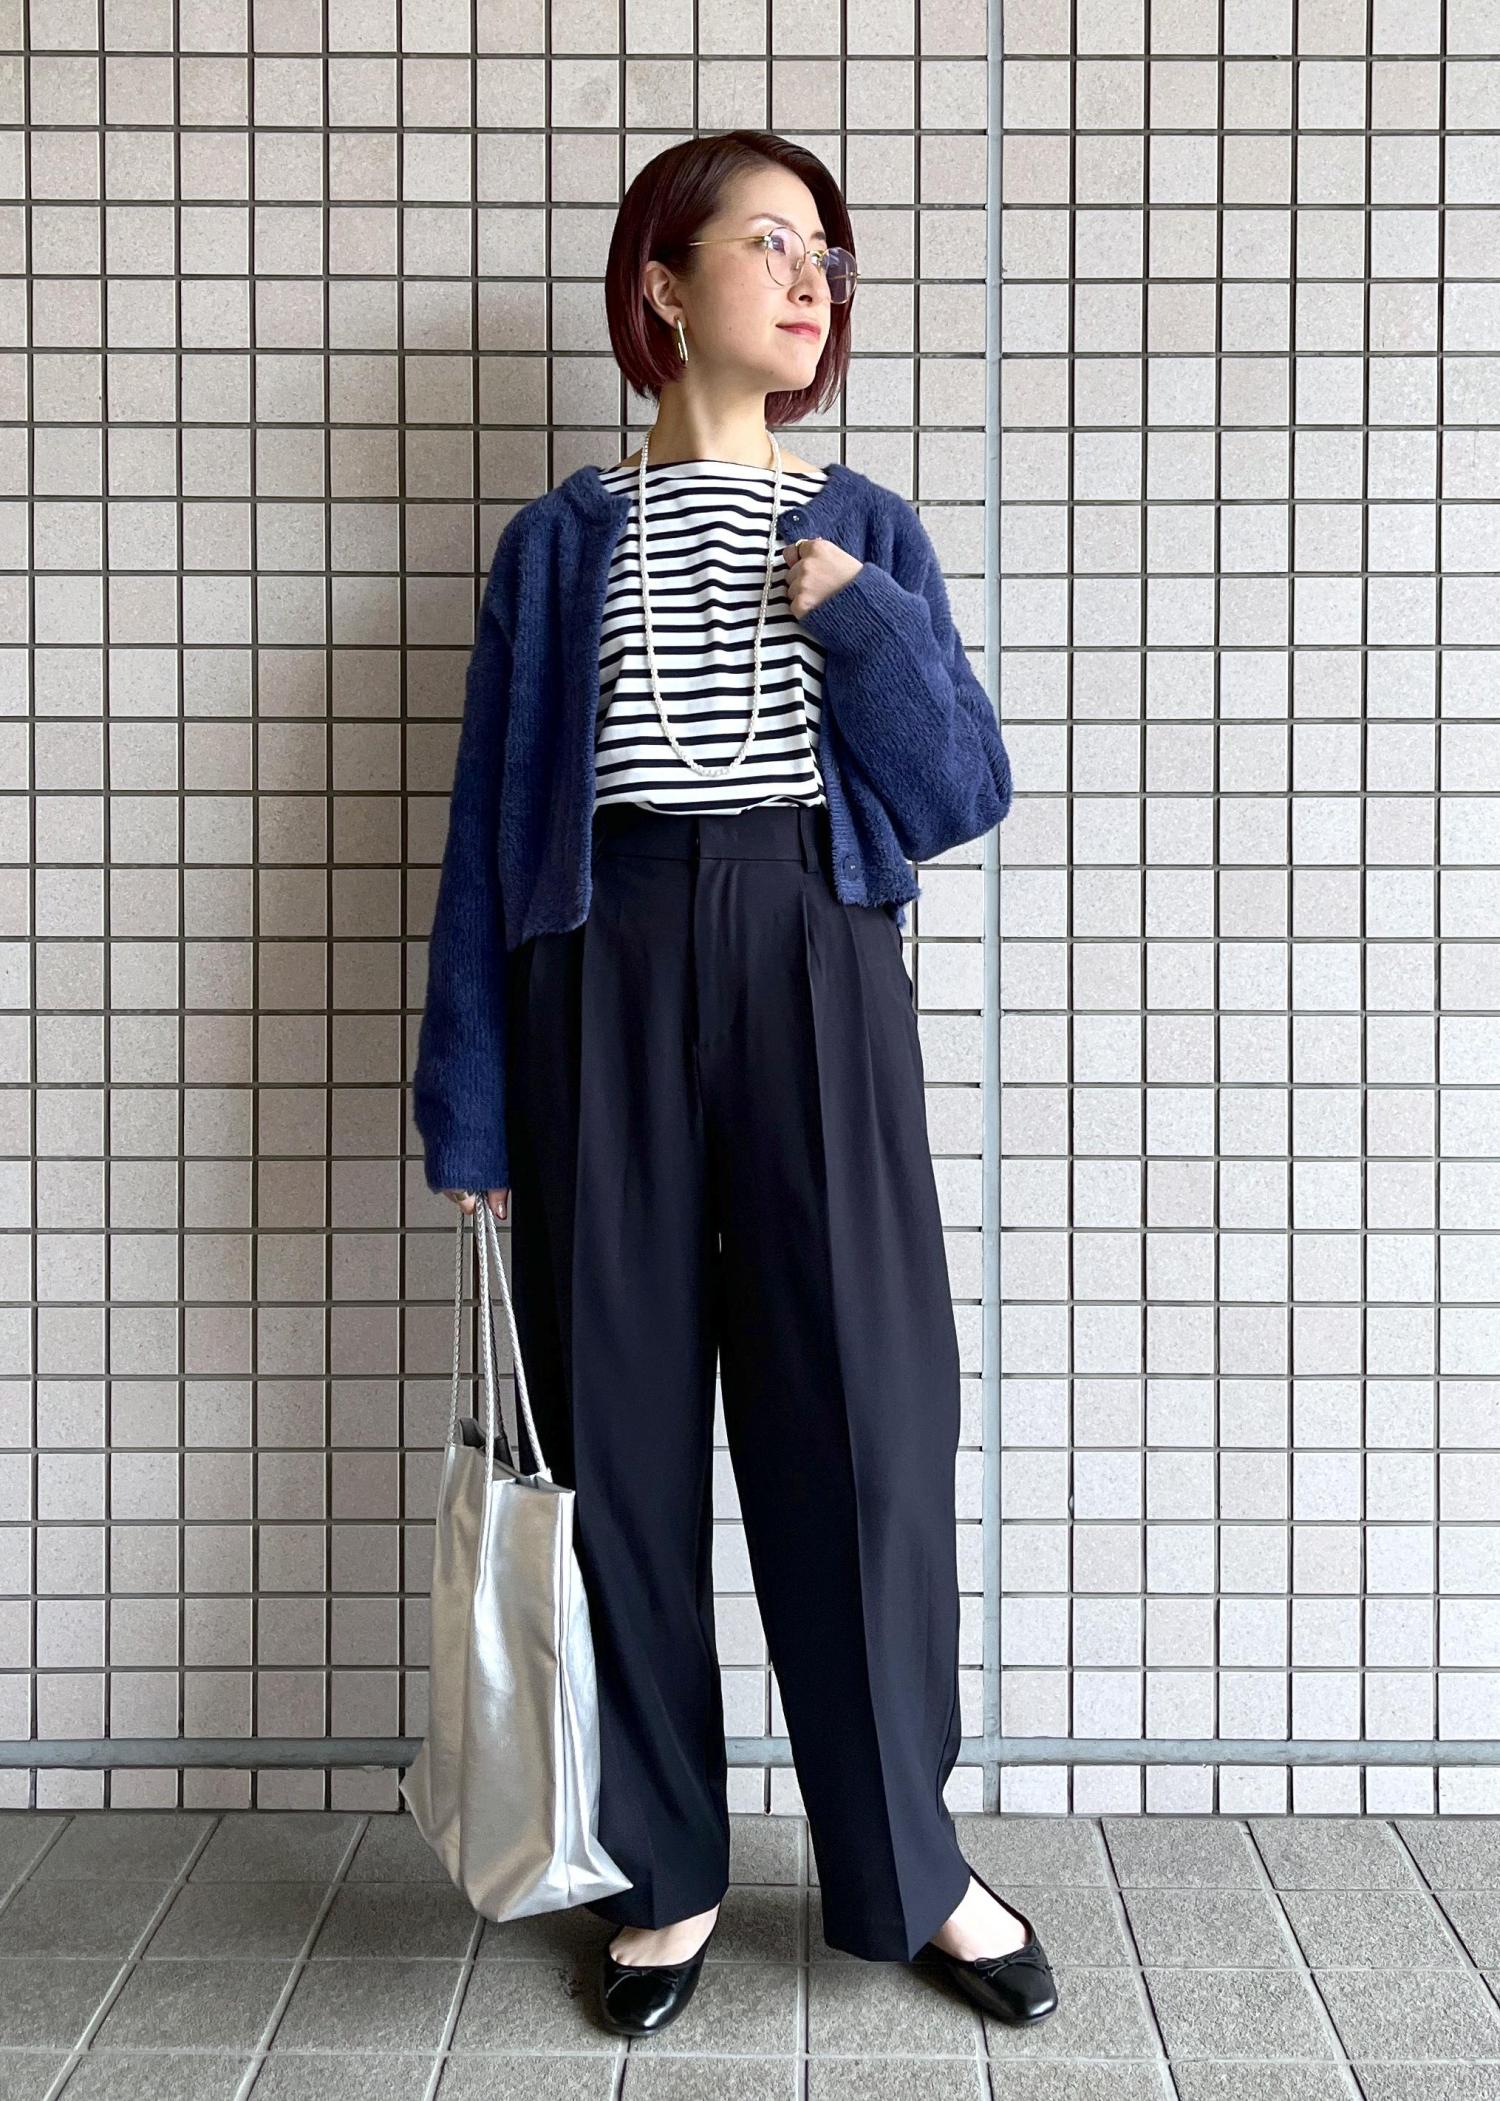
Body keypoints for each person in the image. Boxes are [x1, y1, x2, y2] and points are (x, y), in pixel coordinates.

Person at [411, 126, 1057, 2039]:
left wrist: (857, 610)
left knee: (867, 1426)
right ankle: (664, 1870)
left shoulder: (868, 526)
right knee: (613, 1435)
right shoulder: (560, 544)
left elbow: (959, 793)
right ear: (662, 285)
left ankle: (909, 1866)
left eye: (826, 255)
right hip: (597, 974)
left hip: (814, 963)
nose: (808, 279)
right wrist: (470, 1106)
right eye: (767, 242)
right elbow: (488, 849)